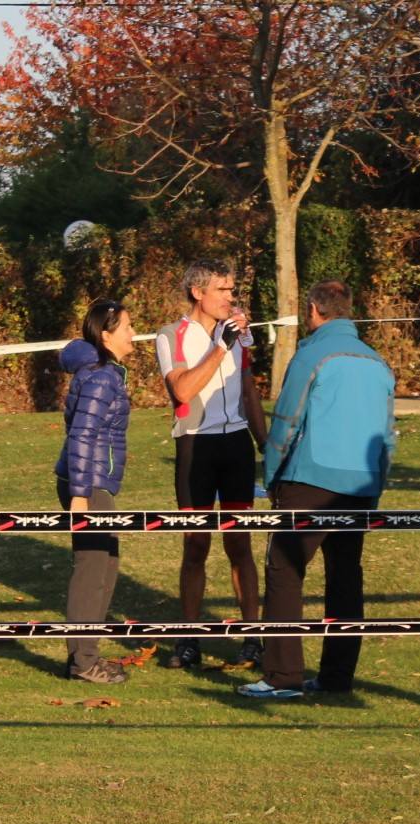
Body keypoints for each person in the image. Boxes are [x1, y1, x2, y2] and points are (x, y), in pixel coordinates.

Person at [238, 280, 395, 699]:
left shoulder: (311, 356)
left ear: (313, 310)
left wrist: (271, 474)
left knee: (285, 573)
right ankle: (337, 677)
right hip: (359, 487)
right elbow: (386, 437)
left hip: (309, 480)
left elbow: (287, 422)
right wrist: (374, 488)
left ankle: (282, 676)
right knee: (345, 579)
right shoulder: (377, 363)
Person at [153, 259, 268, 670]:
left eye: (232, 289)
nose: (230, 297)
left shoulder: (238, 334)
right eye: (222, 289)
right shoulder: (172, 335)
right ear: (198, 293)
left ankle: (253, 637)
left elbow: (249, 390)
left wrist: (265, 444)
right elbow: (182, 390)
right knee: (196, 544)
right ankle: (189, 639)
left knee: (240, 543)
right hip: (195, 447)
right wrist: (221, 345)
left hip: (236, 445)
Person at [53, 299, 136, 684]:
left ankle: (86, 657)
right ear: (107, 334)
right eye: (127, 327)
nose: (133, 333)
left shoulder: (106, 372)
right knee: (92, 571)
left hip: (93, 482)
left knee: (107, 565)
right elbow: (83, 434)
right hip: (88, 485)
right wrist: (81, 495)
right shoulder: (103, 376)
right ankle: (84, 662)